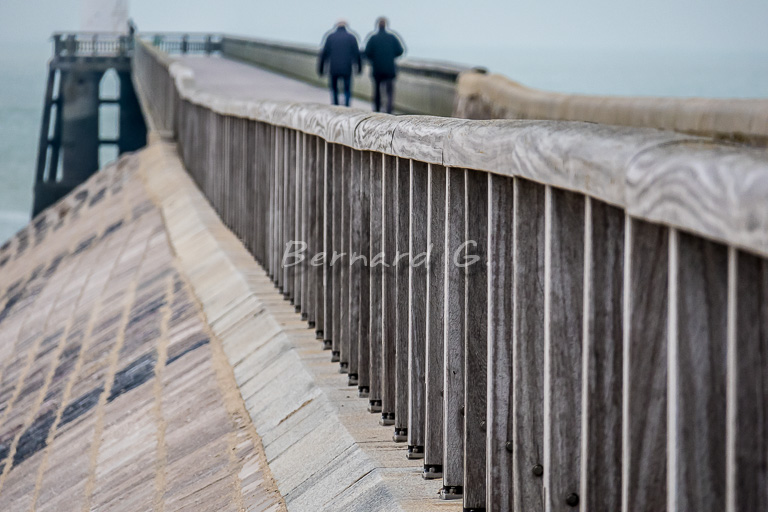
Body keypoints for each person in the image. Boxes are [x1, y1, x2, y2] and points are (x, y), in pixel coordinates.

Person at [364, 17, 405, 114]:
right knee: (389, 91)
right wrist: (391, 55)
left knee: (377, 91)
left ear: (377, 26)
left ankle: (377, 110)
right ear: (386, 25)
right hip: (389, 69)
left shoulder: (373, 38)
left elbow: (367, 53)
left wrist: (374, 58)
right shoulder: (392, 37)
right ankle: (389, 110)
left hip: (377, 69)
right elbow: (400, 51)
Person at [317, 21, 362, 107]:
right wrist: (359, 68)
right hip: (347, 68)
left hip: (334, 68)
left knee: (334, 89)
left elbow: (324, 54)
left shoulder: (330, 37)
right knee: (347, 89)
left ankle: (335, 105)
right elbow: (357, 54)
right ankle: (347, 106)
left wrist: (321, 69)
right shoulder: (351, 37)